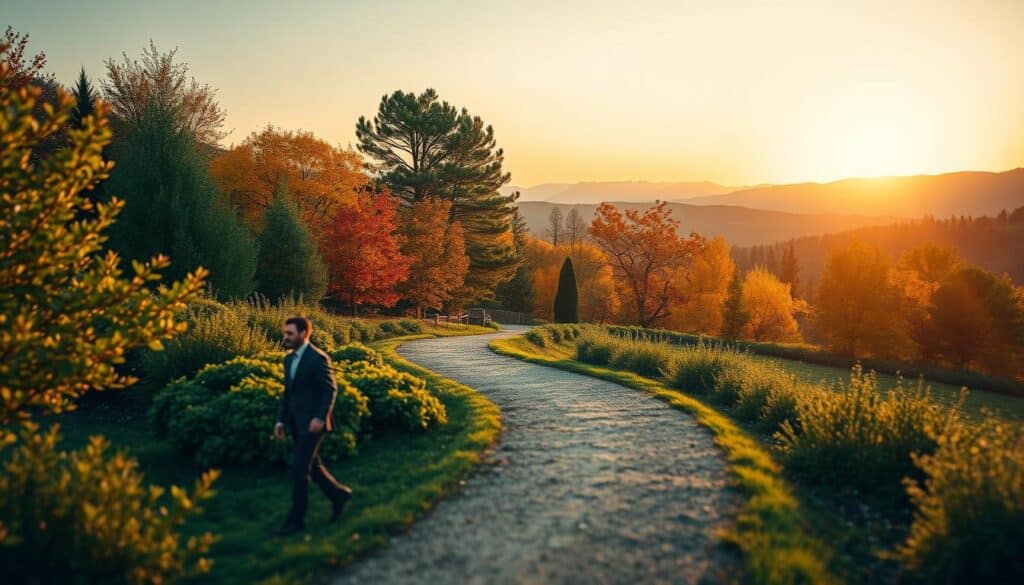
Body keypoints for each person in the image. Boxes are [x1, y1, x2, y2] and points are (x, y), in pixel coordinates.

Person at [272, 316, 352, 536]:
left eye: (290, 333)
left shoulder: (318, 359)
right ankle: (338, 495)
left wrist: (320, 417)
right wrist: (281, 420)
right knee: (313, 468)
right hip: (296, 423)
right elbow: (288, 394)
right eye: (285, 333)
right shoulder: (288, 360)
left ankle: (296, 522)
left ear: (303, 334)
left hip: (314, 425)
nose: (285, 337)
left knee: (299, 471)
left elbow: (330, 390)